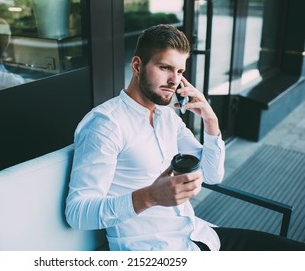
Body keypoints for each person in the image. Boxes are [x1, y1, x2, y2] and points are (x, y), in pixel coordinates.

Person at [65, 24, 305, 251]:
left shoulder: (167, 118)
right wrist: (148, 196)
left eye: (179, 71)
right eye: (165, 68)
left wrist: (211, 121)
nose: (174, 80)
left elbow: (213, 175)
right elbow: (77, 213)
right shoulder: (105, 124)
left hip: (197, 236)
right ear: (137, 66)